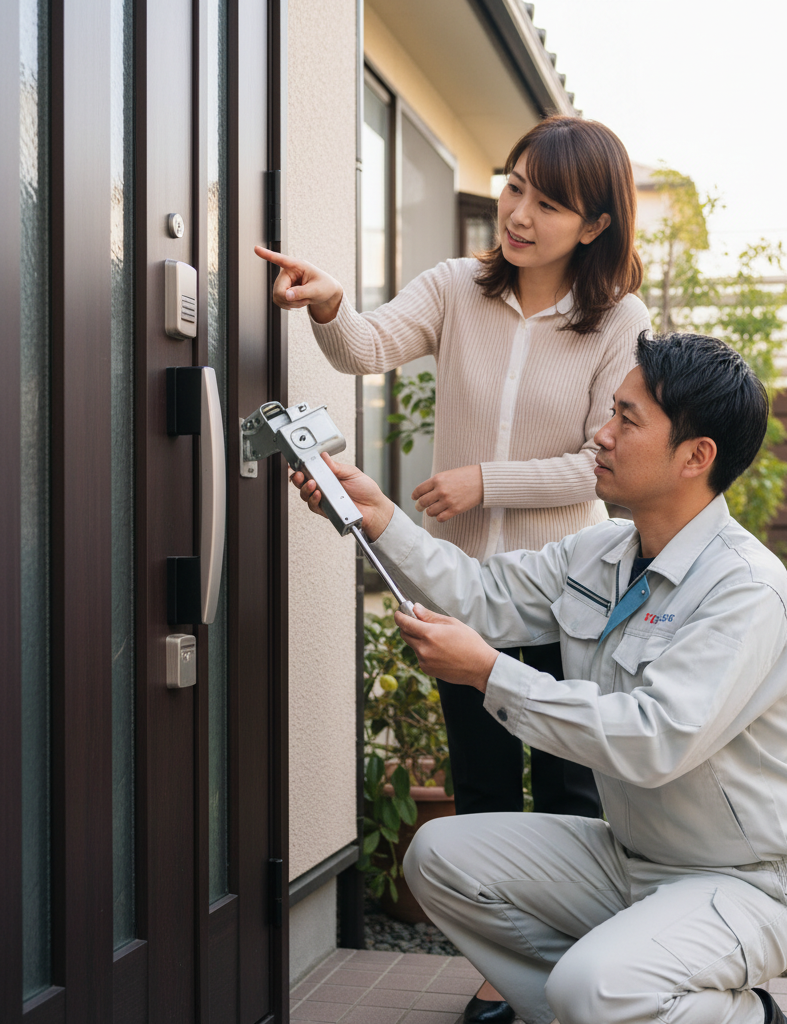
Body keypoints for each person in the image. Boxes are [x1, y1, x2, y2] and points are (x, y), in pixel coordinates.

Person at [292, 332, 787, 1024]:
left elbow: (653, 740)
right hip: (630, 859)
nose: (600, 436)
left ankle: (744, 1018)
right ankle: (582, 1009)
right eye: (612, 413)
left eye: (627, 420)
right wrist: (382, 518)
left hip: (744, 883)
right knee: (439, 857)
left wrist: (490, 674)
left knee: (594, 988)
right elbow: (481, 594)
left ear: (697, 456)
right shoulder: (602, 551)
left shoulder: (747, 594)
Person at [258, 114, 650, 1022]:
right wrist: (329, 302)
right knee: (479, 782)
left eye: (547, 203)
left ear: (592, 225)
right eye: (514, 186)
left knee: (567, 785)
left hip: (566, 592)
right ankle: (500, 966)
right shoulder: (456, 287)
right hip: (461, 587)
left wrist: (485, 480)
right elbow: (367, 347)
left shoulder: (617, 320)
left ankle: (580, 967)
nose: (518, 214)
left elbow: (602, 463)